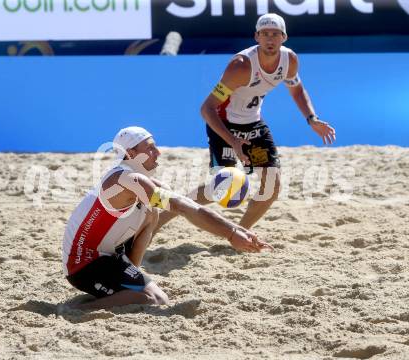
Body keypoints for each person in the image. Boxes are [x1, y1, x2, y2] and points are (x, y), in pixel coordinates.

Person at [156, 13, 336, 232]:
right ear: (256, 37)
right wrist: (233, 142)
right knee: (222, 188)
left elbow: (297, 90)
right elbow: (207, 109)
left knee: (272, 188)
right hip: (224, 125)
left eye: (275, 34)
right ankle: (162, 217)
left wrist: (312, 119)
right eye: (265, 34)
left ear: (284, 37)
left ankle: (241, 233)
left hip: (253, 124)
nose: (270, 39)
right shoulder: (241, 66)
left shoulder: (290, 61)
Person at [61, 126, 273, 310]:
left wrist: (233, 227)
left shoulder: (142, 183)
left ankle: (128, 278)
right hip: (84, 263)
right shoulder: (125, 179)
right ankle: (78, 309)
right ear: (130, 153)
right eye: (150, 148)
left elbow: (187, 203)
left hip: (110, 255)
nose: (158, 152)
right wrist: (231, 233)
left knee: (152, 213)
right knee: (156, 299)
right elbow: (184, 207)